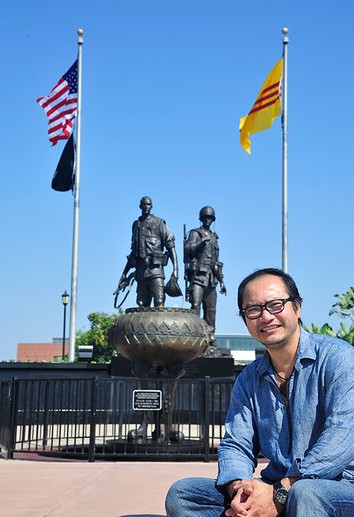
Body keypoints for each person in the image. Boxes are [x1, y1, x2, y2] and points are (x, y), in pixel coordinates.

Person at [165, 267, 354, 516]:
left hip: (339, 488)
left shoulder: (338, 358)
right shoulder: (249, 379)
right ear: (245, 320)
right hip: (278, 486)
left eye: (276, 305)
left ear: (297, 307)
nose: (265, 317)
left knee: (306, 493)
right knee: (184, 494)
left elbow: (342, 436)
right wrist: (240, 489)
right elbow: (236, 444)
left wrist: (282, 491)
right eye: (253, 310)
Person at [116, 196, 178, 308]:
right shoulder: (136, 225)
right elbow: (133, 252)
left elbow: (171, 246)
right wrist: (124, 273)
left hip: (155, 271)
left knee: (159, 301)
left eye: (148, 204)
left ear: (151, 206)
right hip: (141, 272)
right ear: (140, 206)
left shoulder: (159, 223)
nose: (146, 207)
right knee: (141, 304)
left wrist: (175, 270)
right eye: (144, 204)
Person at [184, 206, 226, 334]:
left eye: (210, 218)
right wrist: (201, 241)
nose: (208, 220)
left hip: (211, 277)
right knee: (196, 305)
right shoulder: (195, 233)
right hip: (198, 276)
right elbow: (187, 249)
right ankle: (195, 334)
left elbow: (217, 261)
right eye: (205, 217)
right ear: (201, 218)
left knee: (211, 309)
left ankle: (210, 337)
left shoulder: (214, 237)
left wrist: (221, 280)